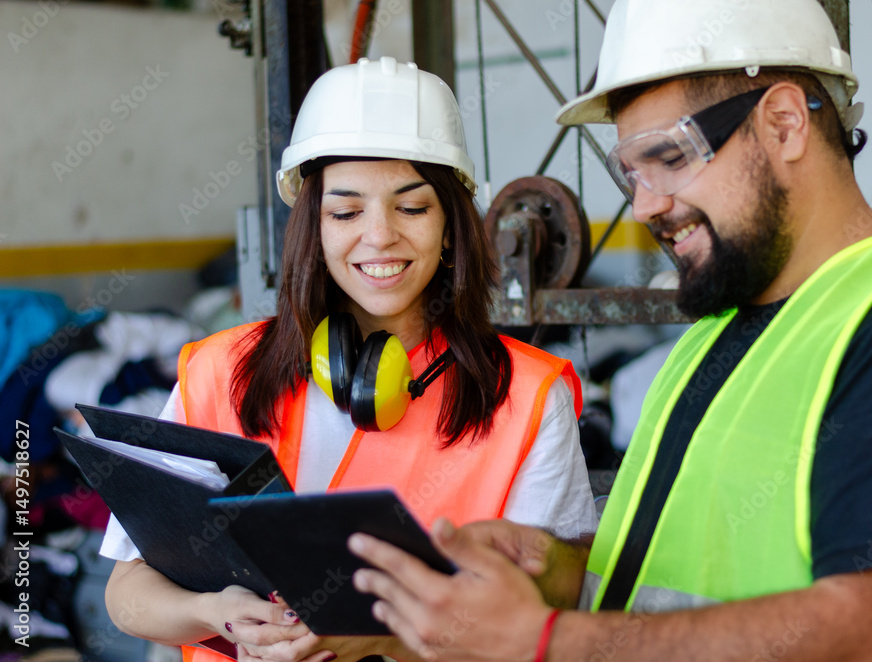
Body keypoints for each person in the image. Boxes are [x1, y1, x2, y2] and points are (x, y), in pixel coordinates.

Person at [347, 1, 872, 661]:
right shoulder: (711, 340)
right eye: (630, 172)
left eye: (668, 156)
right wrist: (556, 571)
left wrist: (545, 640)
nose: (645, 204)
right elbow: (674, 583)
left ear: (783, 123)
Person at [99, 56, 599, 662]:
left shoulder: (525, 394)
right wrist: (217, 614)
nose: (380, 234)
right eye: (346, 211)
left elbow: (551, 611)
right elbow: (127, 591)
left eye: (412, 207)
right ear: (314, 226)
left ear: (450, 228)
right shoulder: (218, 373)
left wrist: (381, 638)